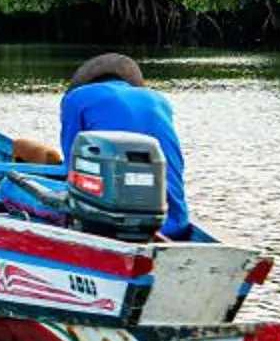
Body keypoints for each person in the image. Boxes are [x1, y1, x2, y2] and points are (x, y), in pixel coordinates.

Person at [59, 52, 195, 239]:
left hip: (114, 227)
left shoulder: (76, 98)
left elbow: (70, 165)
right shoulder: (159, 100)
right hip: (176, 223)